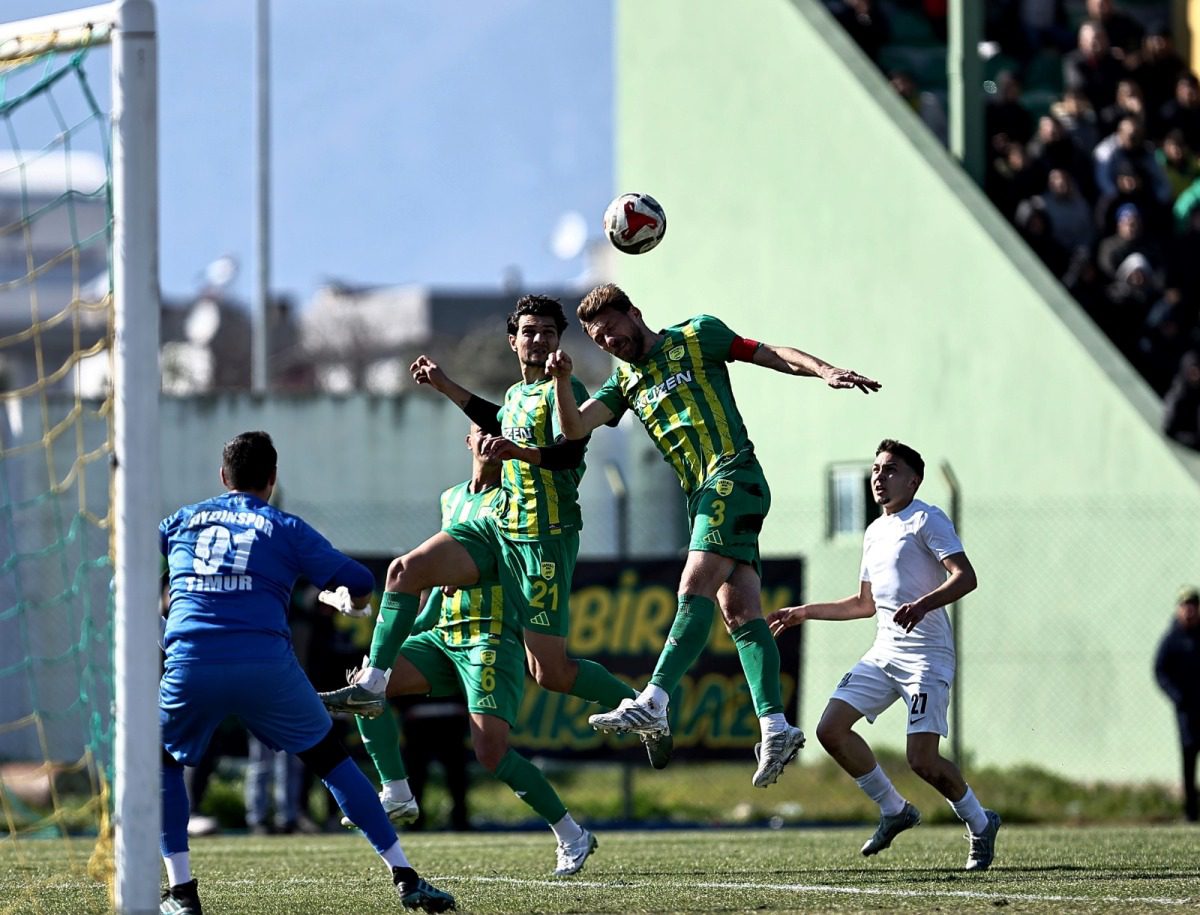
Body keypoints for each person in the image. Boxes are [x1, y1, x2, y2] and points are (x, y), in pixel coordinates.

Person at [543, 283, 880, 788]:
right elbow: (573, 430)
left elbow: (767, 352)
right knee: (740, 612)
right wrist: (563, 383)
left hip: (734, 475)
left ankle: (654, 700)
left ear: (634, 313)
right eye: (599, 339)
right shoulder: (624, 384)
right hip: (703, 494)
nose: (609, 342)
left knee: (692, 586)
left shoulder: (698, 335)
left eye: (613, 329)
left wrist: (824, 370)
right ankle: (776, 726)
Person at [158, 431, 454, 914]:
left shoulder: (180, 521)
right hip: (265, 665)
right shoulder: (282, 526)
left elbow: (126, 565)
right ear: (272, 480)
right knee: (331, 760)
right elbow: (359, 580)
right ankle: (405, 876)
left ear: (221, 476)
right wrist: (352, 600)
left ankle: (182, 892)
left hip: (191, 661)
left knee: (162, 762)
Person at [340, 423, 597, 875]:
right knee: (367, 688)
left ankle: (572, 834)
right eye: (483, 432)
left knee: (491, 752)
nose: (491, 441)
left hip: (490, 637)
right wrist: (408, 634)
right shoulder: (451, 498)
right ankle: (397, 791)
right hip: (444, 634)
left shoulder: (514, 505)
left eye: (500, 434)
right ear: (468, 441)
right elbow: (440, 577)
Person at [767, 440, 1001, 871]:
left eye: (890, 469)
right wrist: (804, 611)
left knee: (922, 761)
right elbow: (863, 604)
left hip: (927, 657)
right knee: (830, 729)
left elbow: (965, 577)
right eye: (875, 469)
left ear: (914, 480)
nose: (878, 476)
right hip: (883, 653)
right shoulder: (875, 530)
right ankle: (894, 809)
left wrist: (924, 604)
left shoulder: (927, 518)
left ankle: (980, 821)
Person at [1155, 587, 1200, 822]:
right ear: (1179, 609)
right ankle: (1191, 813)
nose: (1190, 611)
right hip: (1187, 712)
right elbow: (1160, 670)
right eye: (1186, 606)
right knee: (1189, 760)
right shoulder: (1172, 639)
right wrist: (1176, 695)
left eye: (1194, 606)